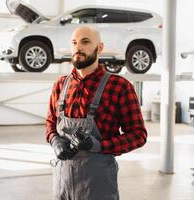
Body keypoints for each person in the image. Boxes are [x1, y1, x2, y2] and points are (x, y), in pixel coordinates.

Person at [45, 26, 147, 200]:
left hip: (98, 187)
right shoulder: (60, 85)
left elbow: (139, 135)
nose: (78, 47)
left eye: (85, 42)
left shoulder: (119, 86)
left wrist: (99, 146)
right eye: (74, 43)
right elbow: (50, 122)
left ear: (99, 47)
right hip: (62, 186)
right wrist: (55, 141)